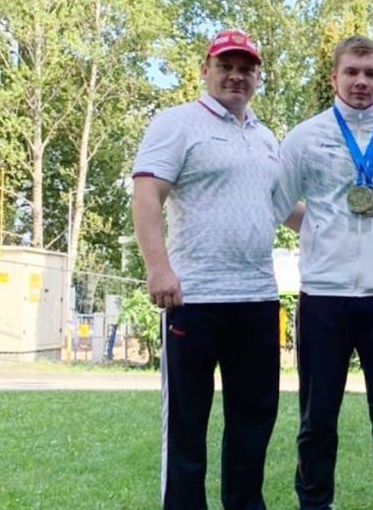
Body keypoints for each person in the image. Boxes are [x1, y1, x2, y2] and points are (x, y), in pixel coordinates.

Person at [132, 30, 283, 510]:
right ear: (205, 70)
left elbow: (283, 207)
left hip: (258, 300)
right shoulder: (177, 123)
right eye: (225, 66)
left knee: (253, 425)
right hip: (193, 299)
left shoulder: (265, 138)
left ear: (258, 76)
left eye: (246, 68)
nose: (236, 76)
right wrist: (158, 268)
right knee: (187, 425)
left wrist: (346, 225)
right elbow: (147, 194)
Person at [274, 35, 373, 510]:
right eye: (352, 72)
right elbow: (279, 203)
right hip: (324, 297)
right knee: (317, 420)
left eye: (371, 73)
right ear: (334, 77)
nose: (361, 81)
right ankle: (314, 504)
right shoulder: (305, 138)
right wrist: (319, 229)